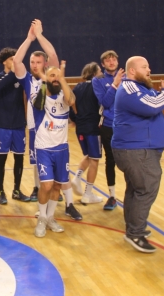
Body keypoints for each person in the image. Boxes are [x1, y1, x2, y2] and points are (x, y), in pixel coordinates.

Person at [112, 56, 164, 253]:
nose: (149, 69)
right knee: (146, 189)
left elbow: (161, 103)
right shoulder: (130, 88)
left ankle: (133, 228)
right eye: (144, 67)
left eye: (149, 66)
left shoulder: (142, 88)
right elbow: (152, 106)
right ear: (132, 71)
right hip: (136, 150)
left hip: (140, 150)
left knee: (136, 190)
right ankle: (135, 233)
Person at [13, 19, 60, 202]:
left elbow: (53, 54)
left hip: (54, 125)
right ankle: (38, 188)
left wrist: (39, 35)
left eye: (38, 62)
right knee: (36, 161)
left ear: (45, 64)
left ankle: (55, 189)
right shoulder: (26, 79)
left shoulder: (52, 75)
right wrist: (29, 39)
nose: (34, 65)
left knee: (55, 158)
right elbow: (17, 60)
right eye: (32, 62)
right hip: (34, 126)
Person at [31, 61, 76, 237]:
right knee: (47, 184)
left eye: (57, 76)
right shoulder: (39, 95)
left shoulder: (64, 97)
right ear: (46, 79)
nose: (55, 79)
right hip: (43, 148)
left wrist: (61, 78)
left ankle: (50, 217)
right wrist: (45, 78)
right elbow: (38, 102)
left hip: (62, 148)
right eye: (52, 75)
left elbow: (71, 100)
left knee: (57, 185)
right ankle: (41, 217)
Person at [0, 47, 30, 204]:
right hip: (2, 125)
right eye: (12, 58)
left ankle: (17, 190)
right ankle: (1, 191)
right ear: (4, 61)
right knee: (2, 159)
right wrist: (13, 73)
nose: (15, 60)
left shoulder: (20, 77)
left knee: (19, 159)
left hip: (19, 124)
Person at [68, 62, 103, 218]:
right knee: (95, 159)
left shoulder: (78, 87)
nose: (101, 73)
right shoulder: (97, 87)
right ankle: (88, 193)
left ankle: (77, 178)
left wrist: (75, 119)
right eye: (100, 71)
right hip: (93, 127)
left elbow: (70, 105)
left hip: (80, 127)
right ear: (94, 73)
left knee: (89, 155)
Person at [93, 50, 125, 210]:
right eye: (108, 60)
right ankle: (112, 196)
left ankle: (131, 195)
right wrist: (114, 84)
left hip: (126, 126)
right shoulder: (98, 80)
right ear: (103, 64)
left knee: (130, 161)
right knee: (110, 160)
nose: (111, 61)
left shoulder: (128, 78)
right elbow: (104, 102)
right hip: (108, 126)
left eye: (114, 59)